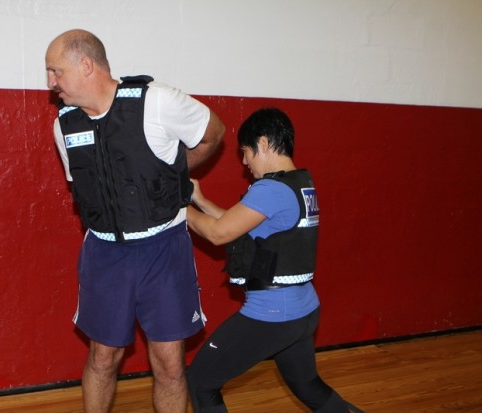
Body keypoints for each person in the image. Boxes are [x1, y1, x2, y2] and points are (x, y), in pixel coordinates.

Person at [45, 29, 225, 413]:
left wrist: (171, 170)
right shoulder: (65, 126)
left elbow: (214, 133)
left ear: (86, 65)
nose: (50, 82)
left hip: (163, 248)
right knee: (102, 357)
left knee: (170, 363)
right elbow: (85, 187)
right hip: (105, 252)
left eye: (56, 71)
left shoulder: (157, 102)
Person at [185, 108, 363, 412]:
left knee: (200, 381)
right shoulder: (299, 183)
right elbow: (237, 224)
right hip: (303, 311)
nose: (245, 162)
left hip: (273, 314)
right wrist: (199, 200)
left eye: (246, 151)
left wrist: (178, 210)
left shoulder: (270, 189)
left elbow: (218, 233)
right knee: (309, 387)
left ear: (264, 143)